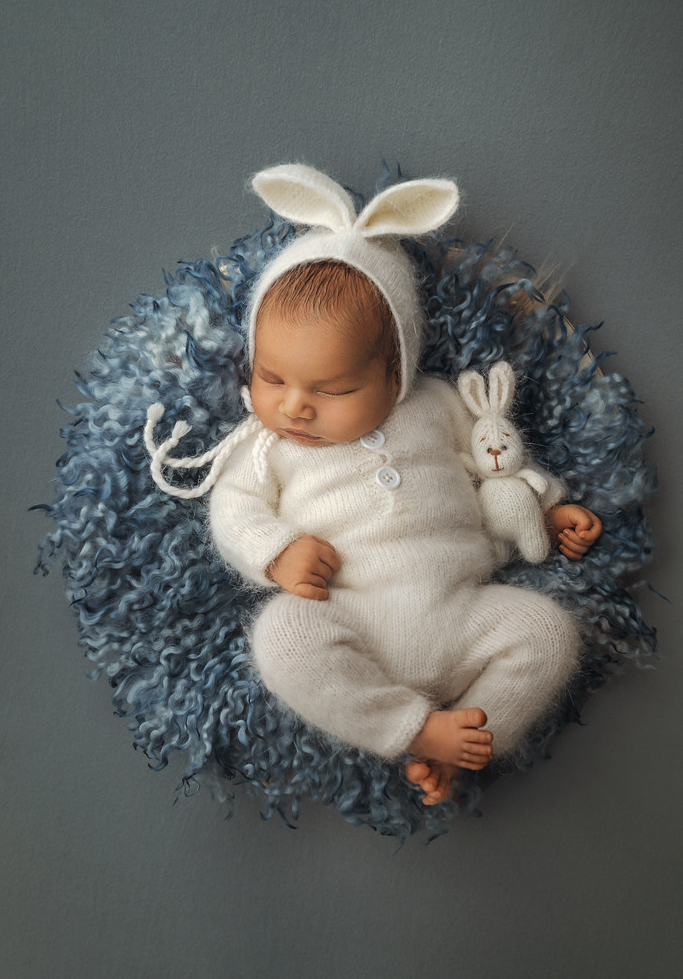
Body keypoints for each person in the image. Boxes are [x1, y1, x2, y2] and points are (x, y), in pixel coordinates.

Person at [147, 165, 602, 804]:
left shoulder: (438, 404)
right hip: (352, 620)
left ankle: (467, 743)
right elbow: (235, 508)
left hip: (463, 611)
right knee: (280, 637)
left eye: (333, 390)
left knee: (549, 633)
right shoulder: (266, 447)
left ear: (398, 374)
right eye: (272, 378)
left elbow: (492, 455)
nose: (296, 406)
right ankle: (412, 729)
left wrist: (545, 509)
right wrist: (276, 553)